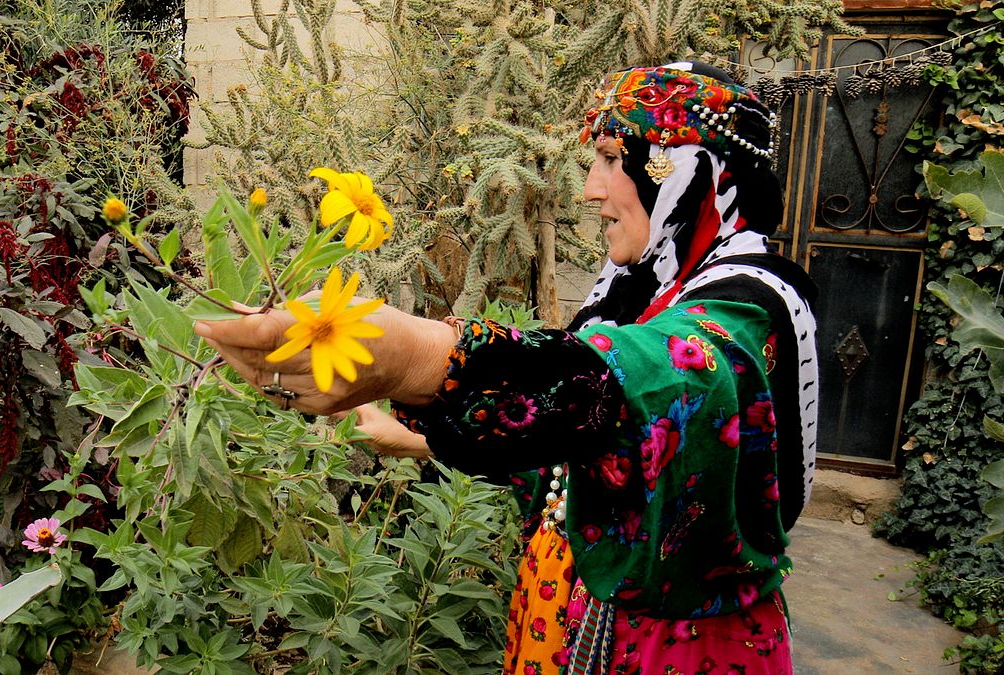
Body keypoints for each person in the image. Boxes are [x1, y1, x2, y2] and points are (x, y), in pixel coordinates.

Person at [194, 62, 819, 674]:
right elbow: (583, 449)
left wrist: (414, 357)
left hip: (675, 651)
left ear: (679, 168)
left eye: (608, 157)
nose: (590, 189)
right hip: (568, 619)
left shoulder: (749, 310)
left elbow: (661, 380)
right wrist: (414, 439)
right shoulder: (642, 294)